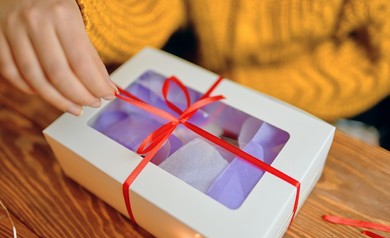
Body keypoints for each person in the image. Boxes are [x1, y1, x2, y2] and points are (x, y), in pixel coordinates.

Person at [1, 0, 389, 148]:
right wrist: (83, 9)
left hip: (310, 110)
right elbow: (161, 6)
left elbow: (373, 63)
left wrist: (230, 91)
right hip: (199, 86)